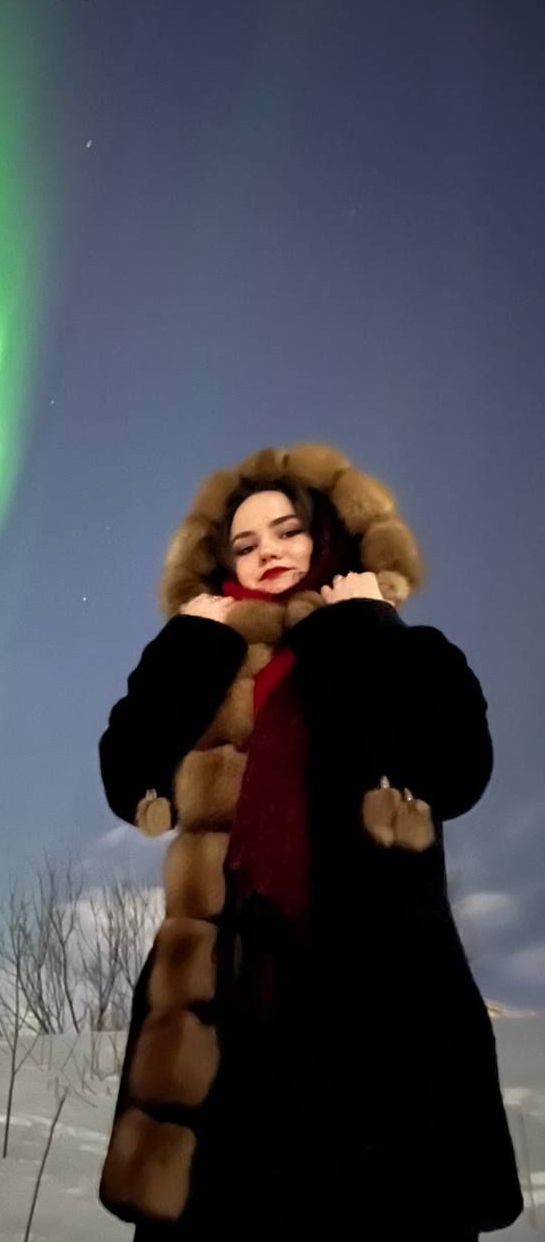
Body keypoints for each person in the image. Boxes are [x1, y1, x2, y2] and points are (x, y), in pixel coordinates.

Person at [97, 443, 524, 1242]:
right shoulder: (207, 669)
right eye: (245, 543)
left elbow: (457, 769)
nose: (268, 553)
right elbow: (127, 778)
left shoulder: (407, 649)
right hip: (225, 1013)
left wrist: (361, 626)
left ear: (329, 534)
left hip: (374, 1009)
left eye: (288, 532)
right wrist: (187, 647)